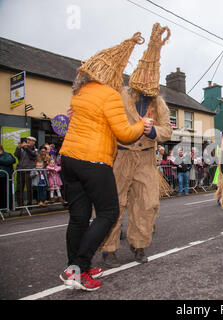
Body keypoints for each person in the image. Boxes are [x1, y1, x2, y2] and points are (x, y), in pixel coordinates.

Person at [58, 32, 149, 291]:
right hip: (94, 161)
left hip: (69, 159)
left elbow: (95, 124)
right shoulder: (110, 95)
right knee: (109, 213)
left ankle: (75, 269)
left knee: (78, 217)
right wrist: (143, 124)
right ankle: (80, 265)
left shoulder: (80, 93)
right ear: (113, 74)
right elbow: (125, 134)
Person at [100, 24, 173, 267]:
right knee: (115, 203)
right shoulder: (119, 94)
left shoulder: (158, 103)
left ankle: (138, 244)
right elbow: (106, 120)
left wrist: (153, 131)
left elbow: (168, 130)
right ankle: (109, 248)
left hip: (145, 158)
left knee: (147, 203)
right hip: (120, 156)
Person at [14, 137, 37, 207]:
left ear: (34, 142)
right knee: (19, 188)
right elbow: (16, 155)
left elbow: (33, 156)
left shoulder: (35, 149)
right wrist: (18, 147)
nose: (28, 142)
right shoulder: (21, 149)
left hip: (29, 171)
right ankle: (20, 204)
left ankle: (29, 204)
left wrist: (26, 148)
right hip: (20, 170)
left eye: (30, 141)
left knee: (29, 187)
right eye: (28, 140)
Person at [0, 144, 16, 210]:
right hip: (2, 177)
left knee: (6, 192)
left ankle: (8, 207)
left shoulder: (7, 155)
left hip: (5, 177)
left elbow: (10, 161)